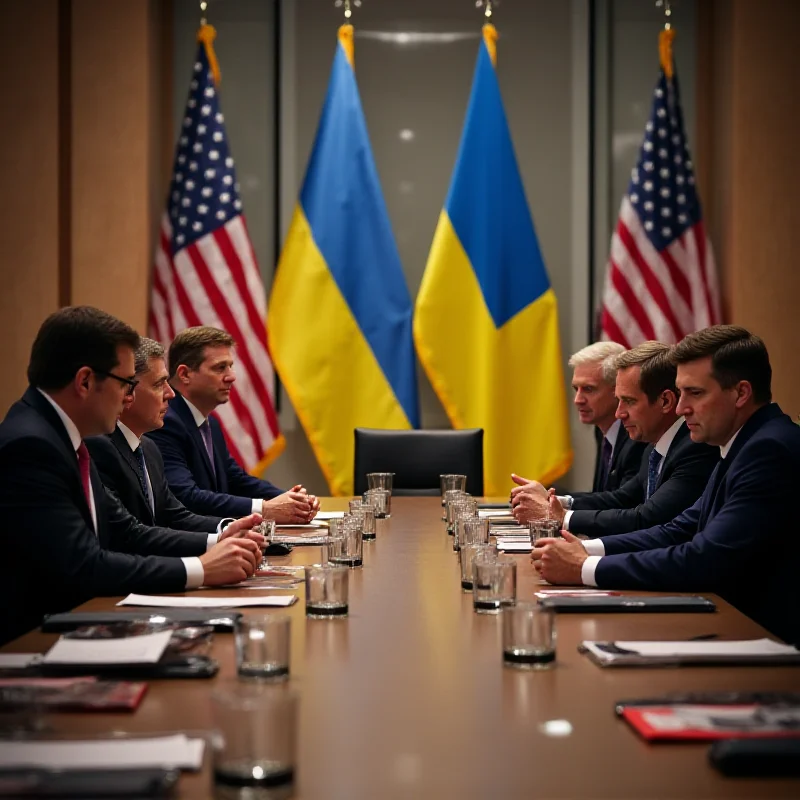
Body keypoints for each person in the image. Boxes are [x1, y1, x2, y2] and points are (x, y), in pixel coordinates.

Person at [0, 307, 262, 645]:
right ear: (85, 382)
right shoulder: (31, 446)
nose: (128, 396)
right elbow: (85, 565)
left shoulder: (62, 437)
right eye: (125, 383)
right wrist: (201, 568)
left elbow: (127, 531)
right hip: (38, 644)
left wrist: (218, 543)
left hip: (84, 623)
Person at [531, 325, 800, 644]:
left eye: (695, 393)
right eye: (681, 392)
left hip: (764, 643)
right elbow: (678, 529)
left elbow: (704, 559)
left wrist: (585, 568)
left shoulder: (766, 451)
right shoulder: (740, 443)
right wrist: (582, 550)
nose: (681, 407)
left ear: (741, 393)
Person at [511, 342, 718, 536]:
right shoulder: (654, 446)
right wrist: (554, 501)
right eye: (619, 401)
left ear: (665, 401)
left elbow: (647, 519)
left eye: (628, 401)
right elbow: (623, 499)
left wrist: (561, 517)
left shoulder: (695, 447)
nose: (619, 414)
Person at [148, 327, 319, 522]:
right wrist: (264, 508)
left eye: (230, 366)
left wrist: (292, 500)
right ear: (185, 374)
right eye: (220, 368)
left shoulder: (210, 423)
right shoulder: (165, 423)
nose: (231, 376)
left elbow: (235, 479)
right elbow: (186, 496)